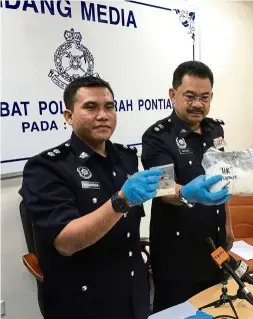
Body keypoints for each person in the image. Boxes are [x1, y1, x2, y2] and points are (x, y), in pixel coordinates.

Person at [21, 76, 164, 319]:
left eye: (109, 107)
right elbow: (66, 243)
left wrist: (185, 194)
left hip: (133, 291)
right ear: (68, 116)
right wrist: (120, 201)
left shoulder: (126, 157)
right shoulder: (46, 167)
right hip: (84, 300)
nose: (103, 115)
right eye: (90, 107)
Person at [141, 61, 234, 312]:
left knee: (216, 308)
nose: (197, 104)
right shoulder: (157, 136)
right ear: (173, 95)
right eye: (189, 96)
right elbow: (163, 189)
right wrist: (186, 193)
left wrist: (227, 225)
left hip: (214, 243)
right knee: (177, 312)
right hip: (176, 250)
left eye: (204, 97)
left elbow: (221, 178)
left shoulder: (216, 129)